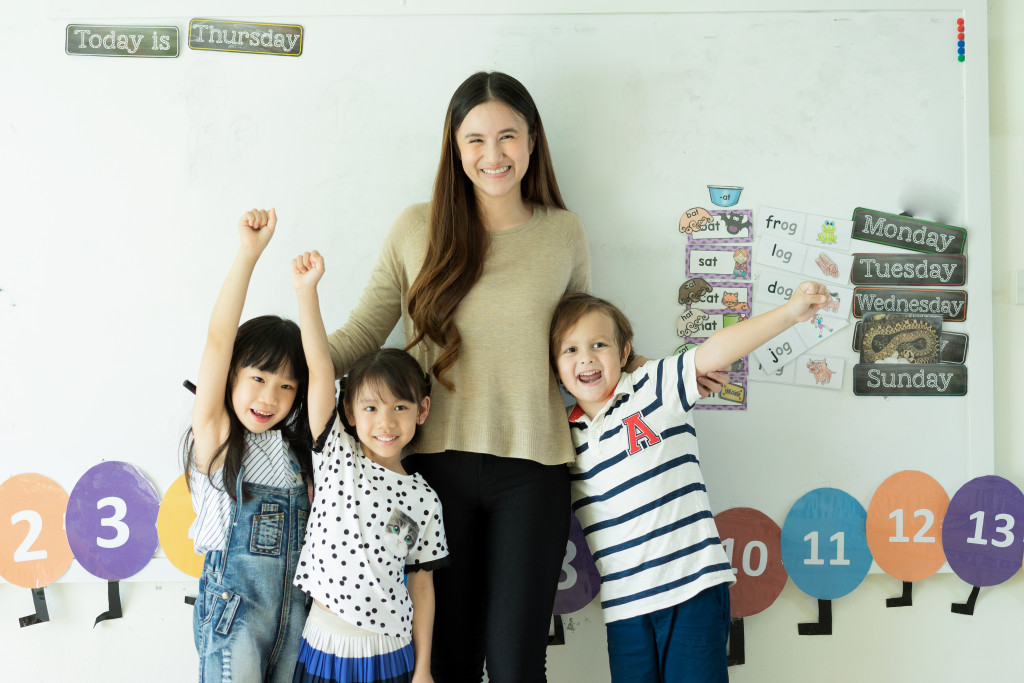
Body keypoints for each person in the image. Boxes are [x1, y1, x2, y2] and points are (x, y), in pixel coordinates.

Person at [325, 71, 588, 681]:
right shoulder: (416, 228)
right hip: (429, 471)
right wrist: (274, 368)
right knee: (447, 661)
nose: (492, 155)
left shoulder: (562, 232)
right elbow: (364, 335)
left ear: (532, 141)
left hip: (533, 471)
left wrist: (669, 373)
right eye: (475, 140)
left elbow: (583, 351)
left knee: (518, 665)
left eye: (507, 137)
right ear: (454, 145)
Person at [549, 283, 832, 682]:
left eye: (599, 345)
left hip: (693, 588)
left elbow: (715, 350)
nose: (587, 359)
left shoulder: (652, 387)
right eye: (570, 350)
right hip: (625, 610)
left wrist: (790, 311)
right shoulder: (561, 433)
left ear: (625, 352)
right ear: (554, 367)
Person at [291, 249, 448, 683]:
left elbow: (422, 585)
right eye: (372, 407)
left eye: (400, 406)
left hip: (391, 652)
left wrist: (422, 668)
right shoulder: (337, 457)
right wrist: (307, 293)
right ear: (349, 411)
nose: (386, 422)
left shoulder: (424, 499)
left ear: (422, 410)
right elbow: (320, 370)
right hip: (324, 643)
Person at [184, 208, 312, 683]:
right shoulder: (218, 438)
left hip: (298, 620)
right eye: (258, 377)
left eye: (286, 386)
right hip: (234, 620)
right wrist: (248, 254)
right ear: (233, 376)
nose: (269, 397)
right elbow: (219, 340)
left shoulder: (299, 456)